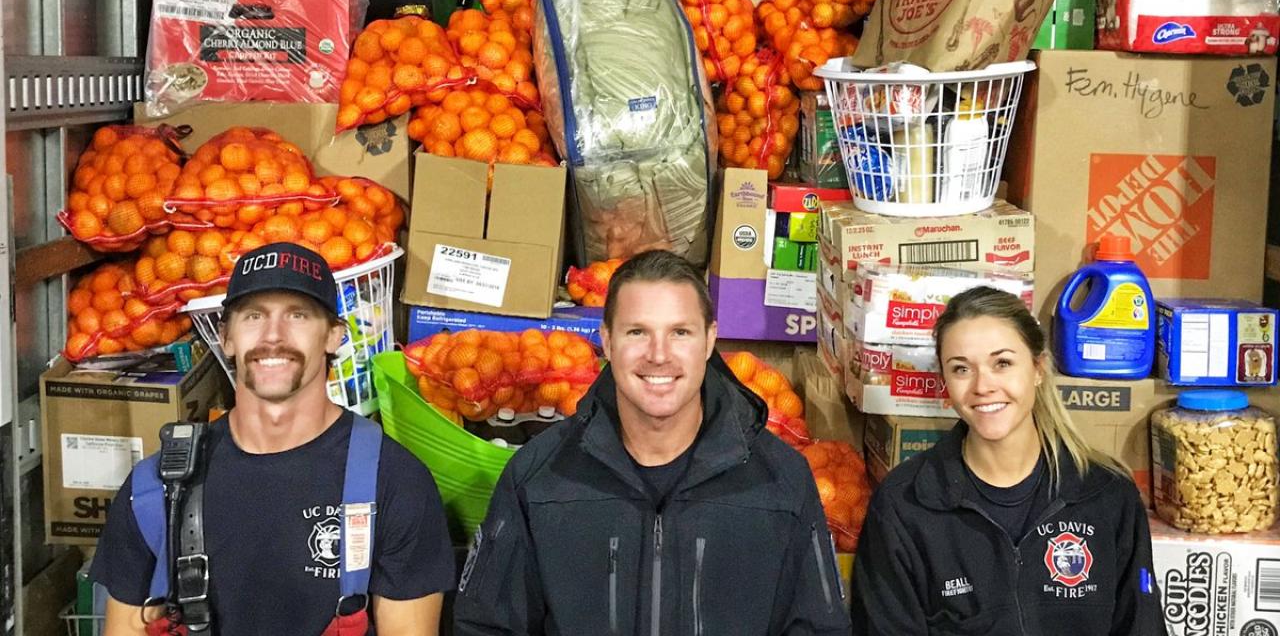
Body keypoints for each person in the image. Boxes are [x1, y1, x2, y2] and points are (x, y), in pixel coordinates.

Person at [453, 249, 850, 635]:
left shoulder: (781, 481)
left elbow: (819, 627)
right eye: (637, 332)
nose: (659, 355)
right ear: (607, 341)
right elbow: (488, 625)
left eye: (680, 332)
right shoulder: (538, 477)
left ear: (709, 341)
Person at [93, 242, 455, 635]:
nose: (273, 336)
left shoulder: (396, 485)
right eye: (253, 316)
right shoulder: (154, 491)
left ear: (334, 336)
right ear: (226, 337)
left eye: (298, 315)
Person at [849, 286, 1168, 635]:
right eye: (961, 369)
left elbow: (1140, 626)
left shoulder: (1107, 496)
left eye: (1002, 363)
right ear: (945, 384)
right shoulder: (903, 506)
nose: (983, 385)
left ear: (1038, 368)